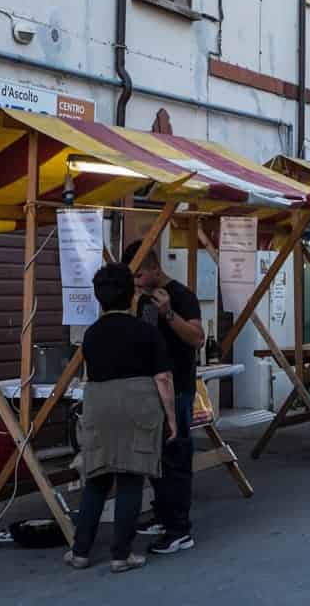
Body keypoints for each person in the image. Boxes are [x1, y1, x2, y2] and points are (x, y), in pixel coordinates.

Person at [65, 263, 177, 573]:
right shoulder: (145, 331)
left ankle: (80, 552)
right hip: (137, 402)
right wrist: (172, 418)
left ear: (99, 298)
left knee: (97, 478)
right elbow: (163, 377)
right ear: (131, 296)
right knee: (130, 477)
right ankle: (120, 555)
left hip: (98, 403)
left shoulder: (91, 334)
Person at [126, 241, 203, 555]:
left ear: (156, 268)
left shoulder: (183, 296)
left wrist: (168, 312)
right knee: (156, 456)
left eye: (140, 274)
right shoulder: (141, 299)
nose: (137, 281)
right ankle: (162, 513)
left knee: (176, 455)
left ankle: (179, 529)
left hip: (179, 386)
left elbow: (197, 339)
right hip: (151, 388)